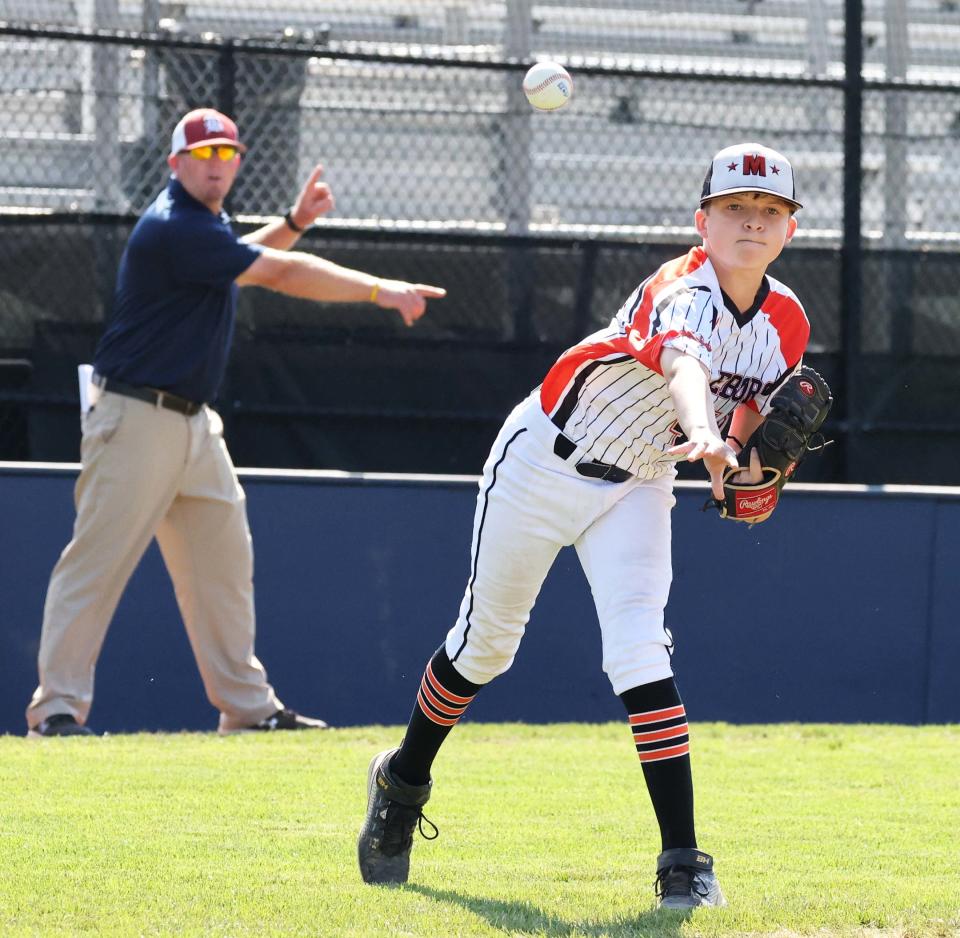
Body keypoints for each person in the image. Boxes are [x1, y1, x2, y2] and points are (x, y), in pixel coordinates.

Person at [357, 142, 810, 909]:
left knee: (640, 649)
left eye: (770, 212)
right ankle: (402, 782)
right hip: (543, 460)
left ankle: (682, 863)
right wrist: (705, 430)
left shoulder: (787, 320)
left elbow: (748, 426)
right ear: (702, 221)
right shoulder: (681, 287)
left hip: (638, 482)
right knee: (485, 647)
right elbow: (686, 370)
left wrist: (740, 464)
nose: (752, 222)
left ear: (790, 231)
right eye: (735, 208)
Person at [26, 107, 446, 738]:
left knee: (223, 564)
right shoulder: (173, 226)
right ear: (176, 164)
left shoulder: (205, 227)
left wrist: (297, 222)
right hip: (135, 418)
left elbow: (245, 255)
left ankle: (247, 710)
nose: (218, 165)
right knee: (96, 562)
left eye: (228, 155)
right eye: (205, 154)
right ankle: (56, 709)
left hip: (192, 425)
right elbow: (274, 273)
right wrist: (379, 289)